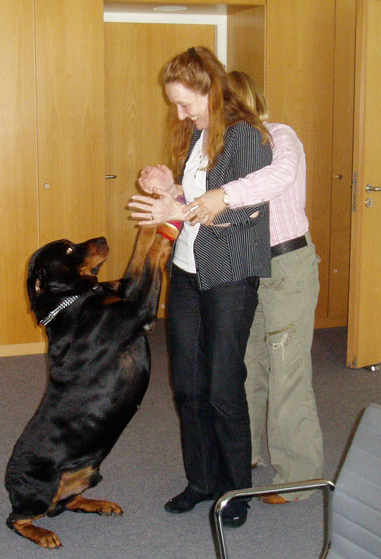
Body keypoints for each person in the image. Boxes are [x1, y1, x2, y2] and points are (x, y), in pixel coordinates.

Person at [128, 47, 272, 527]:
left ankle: (236, 491)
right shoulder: (199, 134)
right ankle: (202, 481)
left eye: (186, 103)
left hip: (230, 275)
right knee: (187, 386)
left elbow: (244, 210)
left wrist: (178, 210)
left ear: (210, 90)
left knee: (222, 386)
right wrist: (170, 188)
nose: (180, 113)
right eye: (174, 104)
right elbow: (197, 198)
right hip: (188, 273)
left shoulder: (246, 135)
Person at [181, 71, 324, 503]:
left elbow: (278, 176)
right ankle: (251, 455)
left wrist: (224, 193)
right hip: (246, 267)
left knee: (287, 373)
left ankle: (298, 478)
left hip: (285, 266)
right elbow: (205, 203)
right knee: (246, 365)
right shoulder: (227, 146)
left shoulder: (280, 135)